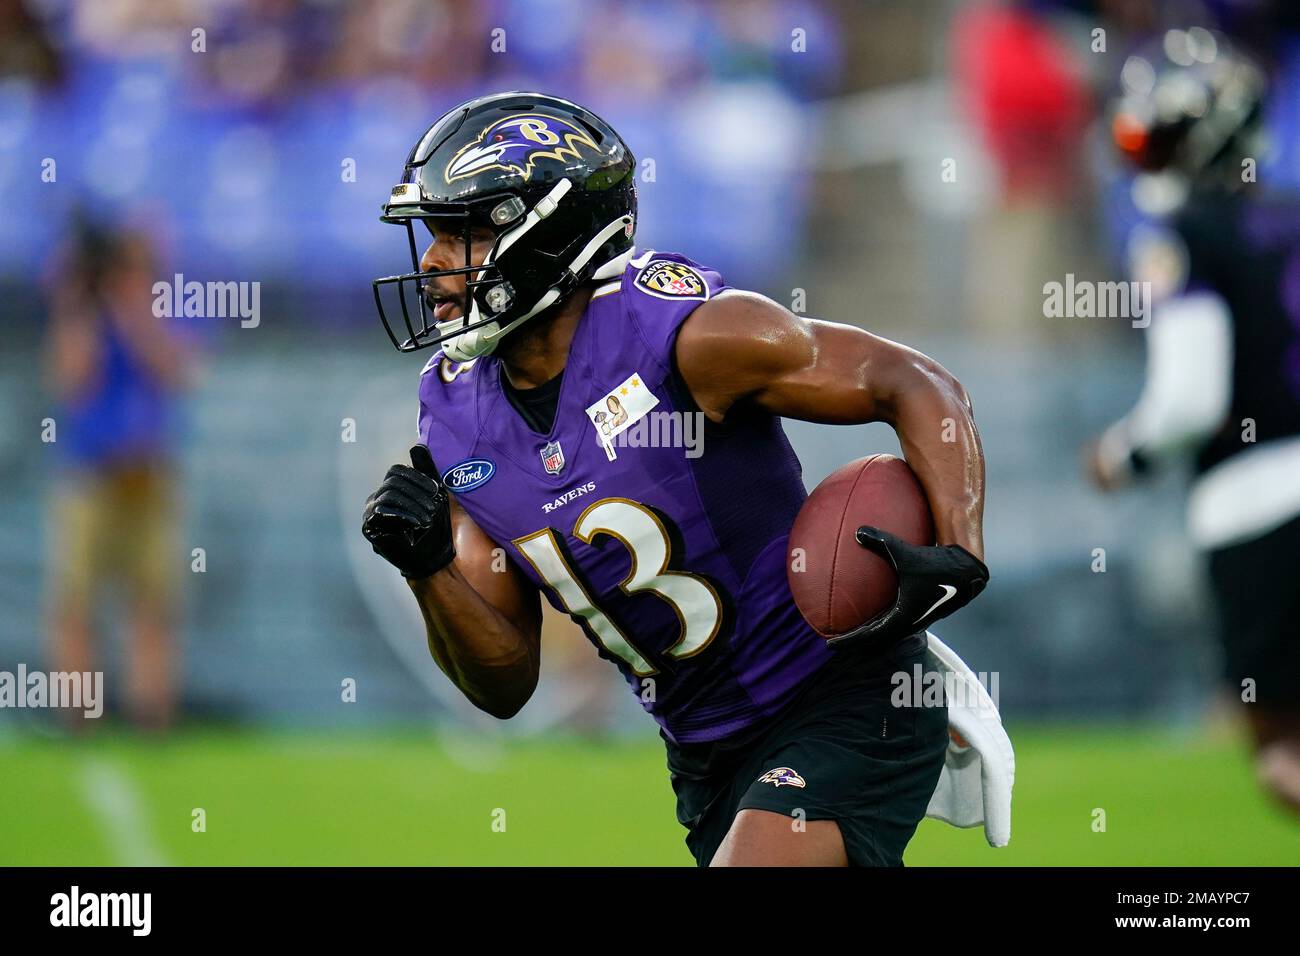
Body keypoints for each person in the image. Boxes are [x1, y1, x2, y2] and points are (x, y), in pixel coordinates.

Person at [362, 92, 989, 865]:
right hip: (704, 754)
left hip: (845, 695)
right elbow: (505, 686)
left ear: (547, 234)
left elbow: (911, 379)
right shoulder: (454, 413)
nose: (431, 260)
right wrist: (428, 572)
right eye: (433, 234)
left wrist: (961, 544)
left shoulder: (681, 336)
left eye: (462, 232)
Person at [1087, 30, 1300, 811]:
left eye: (1157, 137)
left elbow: (1192, 399)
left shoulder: (1183, 236)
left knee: (1283, 758)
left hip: (1259, 504)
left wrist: (1123, 455)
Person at [45, 221, 191, 732]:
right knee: (76, 599)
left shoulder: (164, 309)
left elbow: (175, 370)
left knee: (152, 600)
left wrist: (132, 310)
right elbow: (71, 380)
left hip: (147, 473)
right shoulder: (82, 313)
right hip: (90, 472)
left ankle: (151, 713)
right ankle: (77, 715)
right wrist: (76, 305)